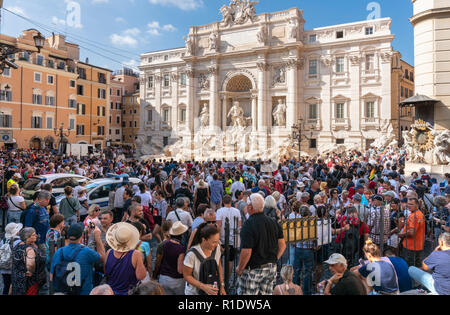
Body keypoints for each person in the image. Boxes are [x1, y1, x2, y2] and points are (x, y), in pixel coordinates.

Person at [236, 193, 286, 295]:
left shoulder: (248, 224)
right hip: (271, 268)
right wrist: (274, 259)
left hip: (253, 269)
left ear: (250, 207)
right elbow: (282, 245)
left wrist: (240, 268)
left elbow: (246, 251)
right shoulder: (273, 222)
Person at [50, 223, 105, 295]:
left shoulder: (59, 252)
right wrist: (97, 238)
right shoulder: (86, 252)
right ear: (81, 236)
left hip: (63, 292)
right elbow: (103, 257)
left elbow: (51, 277)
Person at [183, 223, 226, 295]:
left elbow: (219, 266)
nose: (217, 244)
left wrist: (221, 286)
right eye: (214, 242)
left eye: (217, 241)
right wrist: (203, 287)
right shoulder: (192, 254)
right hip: (194, 293)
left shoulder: (217, 248)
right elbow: (187, 276)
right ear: (204, 240)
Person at [104, 222, 147, 295]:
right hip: (129, 292)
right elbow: (141, 276)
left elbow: (106, 272)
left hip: (111, 292)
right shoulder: (135, 254)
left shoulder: (109, 252)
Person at [154, 221, 187, 295]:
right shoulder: (181, 249)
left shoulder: (164, 244)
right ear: (181, 235)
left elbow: (158, 261)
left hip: (164, 278)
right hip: (177, 281)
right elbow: (180, 270)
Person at [11, 227, 46, 295]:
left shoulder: (17, 246)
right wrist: (31, 271)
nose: (36, 236)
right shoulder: (29, 249)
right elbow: (30, 264)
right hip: (28, 281)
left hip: (17, 278)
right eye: (33, 234)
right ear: (27, 237)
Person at [217, 195, 242, 273]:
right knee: (230, 261)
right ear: (231, 202)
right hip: (233, 239)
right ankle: (228, 279)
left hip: (222, 238)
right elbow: (239, 225)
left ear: (223, 202)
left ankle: (221, 279)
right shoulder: (237, 211)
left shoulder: (220, 211)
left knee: (219, 259)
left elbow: (218, 225)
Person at [398, 198, 425, 267]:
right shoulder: (418, 214)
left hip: (411, 247)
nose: (409, 206)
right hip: (416, 246)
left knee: (410, 268)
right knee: (416, 268)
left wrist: (401, 234)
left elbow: (411, 233)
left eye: (411, 204)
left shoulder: (414, 216)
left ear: (417, 205)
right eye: (408, 204)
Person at [0, 223, 23, 295]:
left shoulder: (3, 241)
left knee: (6, 286)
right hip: (14, 268)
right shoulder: (19, 241)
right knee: (15, 287)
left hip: (4, 268)